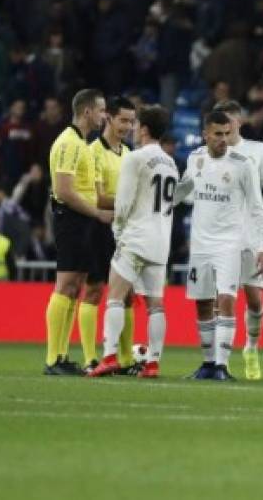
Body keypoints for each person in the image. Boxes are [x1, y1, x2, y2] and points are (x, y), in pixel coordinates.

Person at [174, 110, 263, 381]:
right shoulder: (195, 158)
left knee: (226, 300)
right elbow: (183, 189)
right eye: (218, 134)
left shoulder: (243, 164)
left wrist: (262, 247)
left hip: (230, 243)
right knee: (203, 304)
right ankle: (207, 363)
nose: (223, 139)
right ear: (205, 134)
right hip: (201, 243)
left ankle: (222, 366)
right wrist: (160, 203)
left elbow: (256, 206)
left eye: (227, 134)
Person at [87, 106, 178, 379]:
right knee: (156, 305)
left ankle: (109, 357)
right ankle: (152, 363)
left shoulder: (135, 158)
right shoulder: (171, 163)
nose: (134, 129)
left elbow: (123, 203)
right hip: (161, 240)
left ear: (145, 129)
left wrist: (118, 231)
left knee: (114, 296)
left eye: (137, 125)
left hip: (136, 237)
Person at [214, 100, 263, 380]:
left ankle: (251, 347)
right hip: (221, 233)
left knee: (254, 299)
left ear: (239, 121)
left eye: (229, 121)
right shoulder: (214, 152)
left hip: (251, 234)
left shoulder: (257, 150)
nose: (225, 127)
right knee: (221, 297)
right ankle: (217, 360)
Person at [44, 89, 111, 376]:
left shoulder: (81, 143)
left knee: (75, 287)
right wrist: (97, 213)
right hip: (71, 218)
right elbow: (63, 191)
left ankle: (61, 355)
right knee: (66, 285)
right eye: (101, 110)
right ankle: (53, 359)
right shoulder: (69, 143)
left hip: (81, 220)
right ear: (87, 112)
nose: (103, 115)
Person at [80, 97, 136, 374]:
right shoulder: (93, 152)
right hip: (98, 227)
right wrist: (131, 201)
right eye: (123, 120)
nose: (127, 126)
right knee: (93, 290)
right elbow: (98, 197)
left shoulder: (128, 153)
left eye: (131, 121)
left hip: (124, 230)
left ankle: (125, 359)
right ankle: (91, 357)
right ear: (109, 118)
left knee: (127, 294)